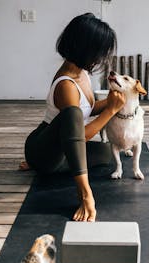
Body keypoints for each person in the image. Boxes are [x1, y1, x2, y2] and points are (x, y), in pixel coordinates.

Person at [20, 13, 125, 222]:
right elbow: (78, 133)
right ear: (87, 49)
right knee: (73, 115)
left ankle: (47, 166)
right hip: (45, 151)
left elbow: (89, 108)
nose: (102, 58)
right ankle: (84, 194)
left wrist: (116, 102)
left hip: (65, 148)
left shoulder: (82, 73)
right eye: (100, 52)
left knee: (106, 154)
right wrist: (110, 111)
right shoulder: (66, 85)